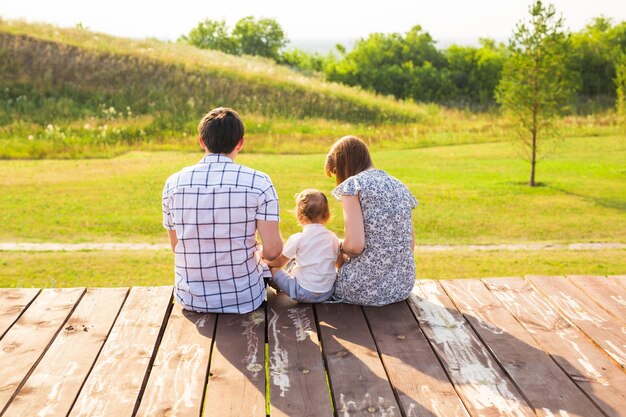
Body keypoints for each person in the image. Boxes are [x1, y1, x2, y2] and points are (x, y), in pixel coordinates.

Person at [162, 107, 283, 314]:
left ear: (202, 141)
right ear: (241, 142)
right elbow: (273, 251)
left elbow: (176, 246)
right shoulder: (259, 182)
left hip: (191, 297)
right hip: (245, 297)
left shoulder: (174, 183)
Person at [325, 135, 418, 306]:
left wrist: (338, 247)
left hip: (364, 289)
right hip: (402, 286)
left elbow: (355, 246)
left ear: (344, 163)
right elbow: (409, 244)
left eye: (336, 172)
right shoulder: (399, 185)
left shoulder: (353, 186)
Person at [265, 189, 341, 303]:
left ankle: (278, 285)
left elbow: (279, 263)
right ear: (327, 215)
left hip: (302, 292)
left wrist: (265, 263)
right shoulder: (333, 237)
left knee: (274, 270)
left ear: (299, 215)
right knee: (296, 261)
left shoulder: (298, 238)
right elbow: (337, 263)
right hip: (327, 292)